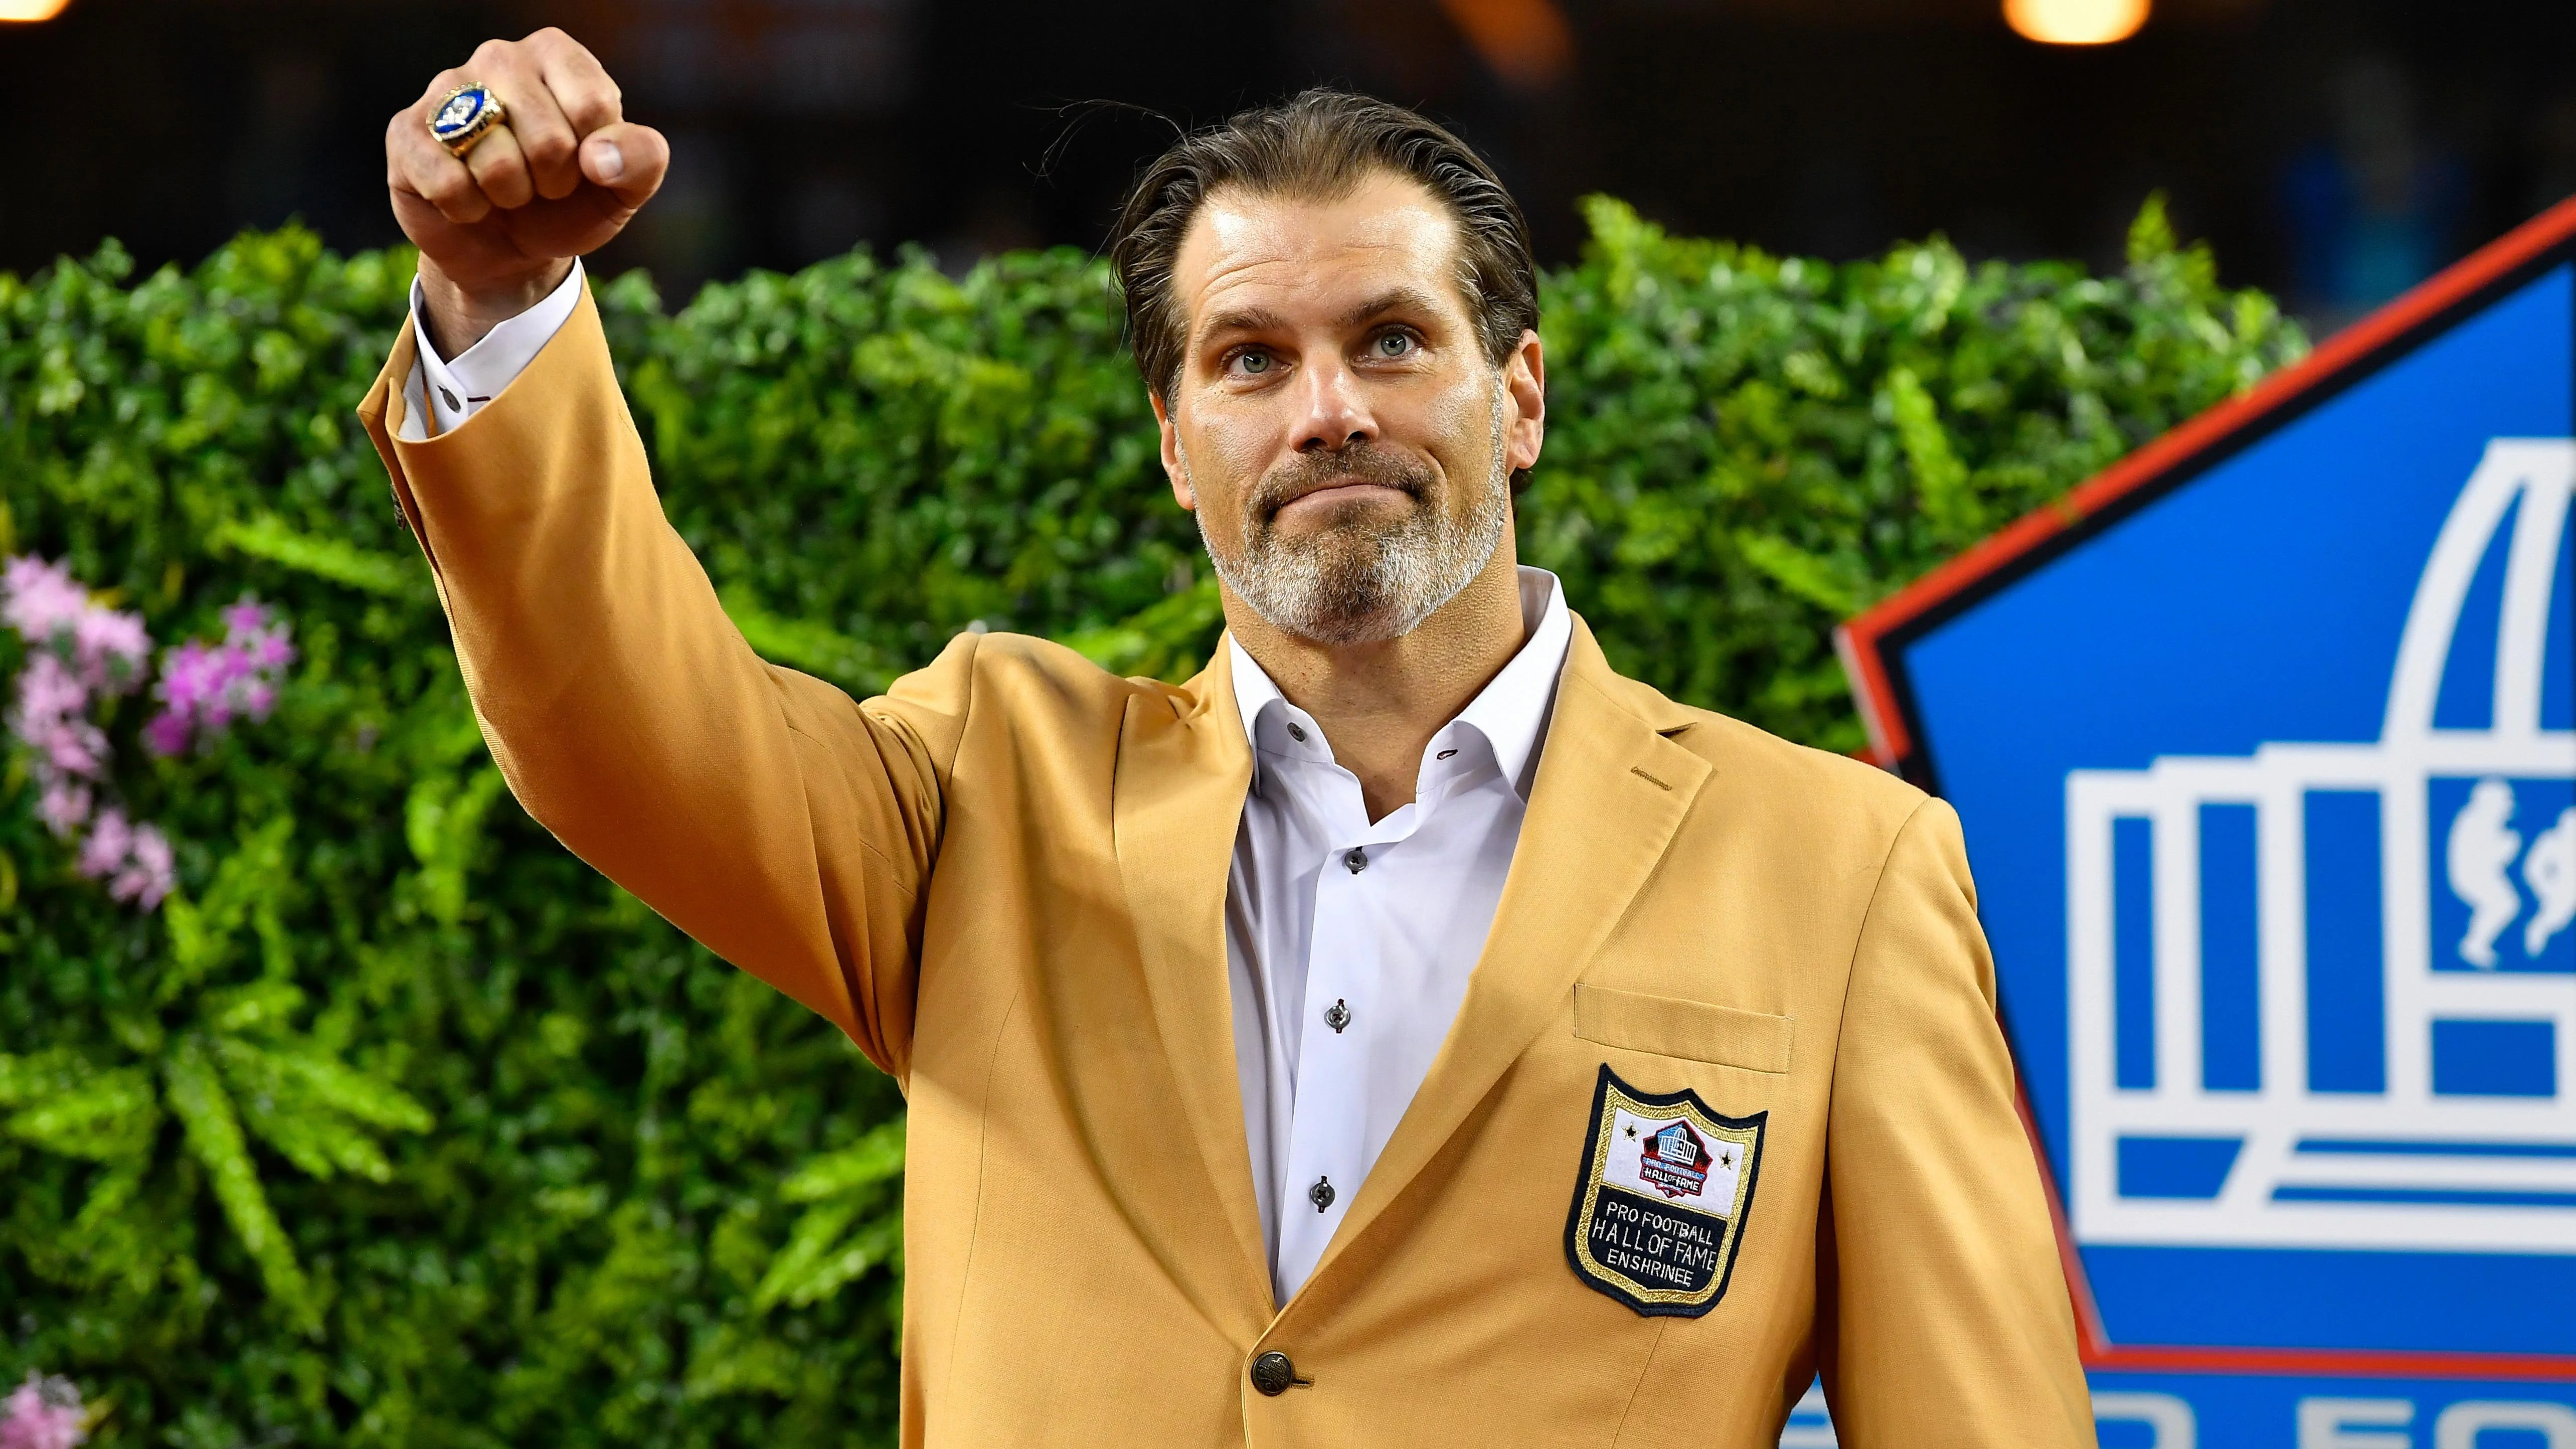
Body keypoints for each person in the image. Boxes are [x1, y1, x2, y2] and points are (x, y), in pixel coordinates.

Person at [367, 29, 2094, 1447]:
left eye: (1394, 340)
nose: (1326, 407)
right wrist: (501, 303)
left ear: (1524, 395)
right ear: (1177, 441)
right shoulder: (991, 785)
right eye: (1251, 357)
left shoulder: (1839, 872)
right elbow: (619, 732)